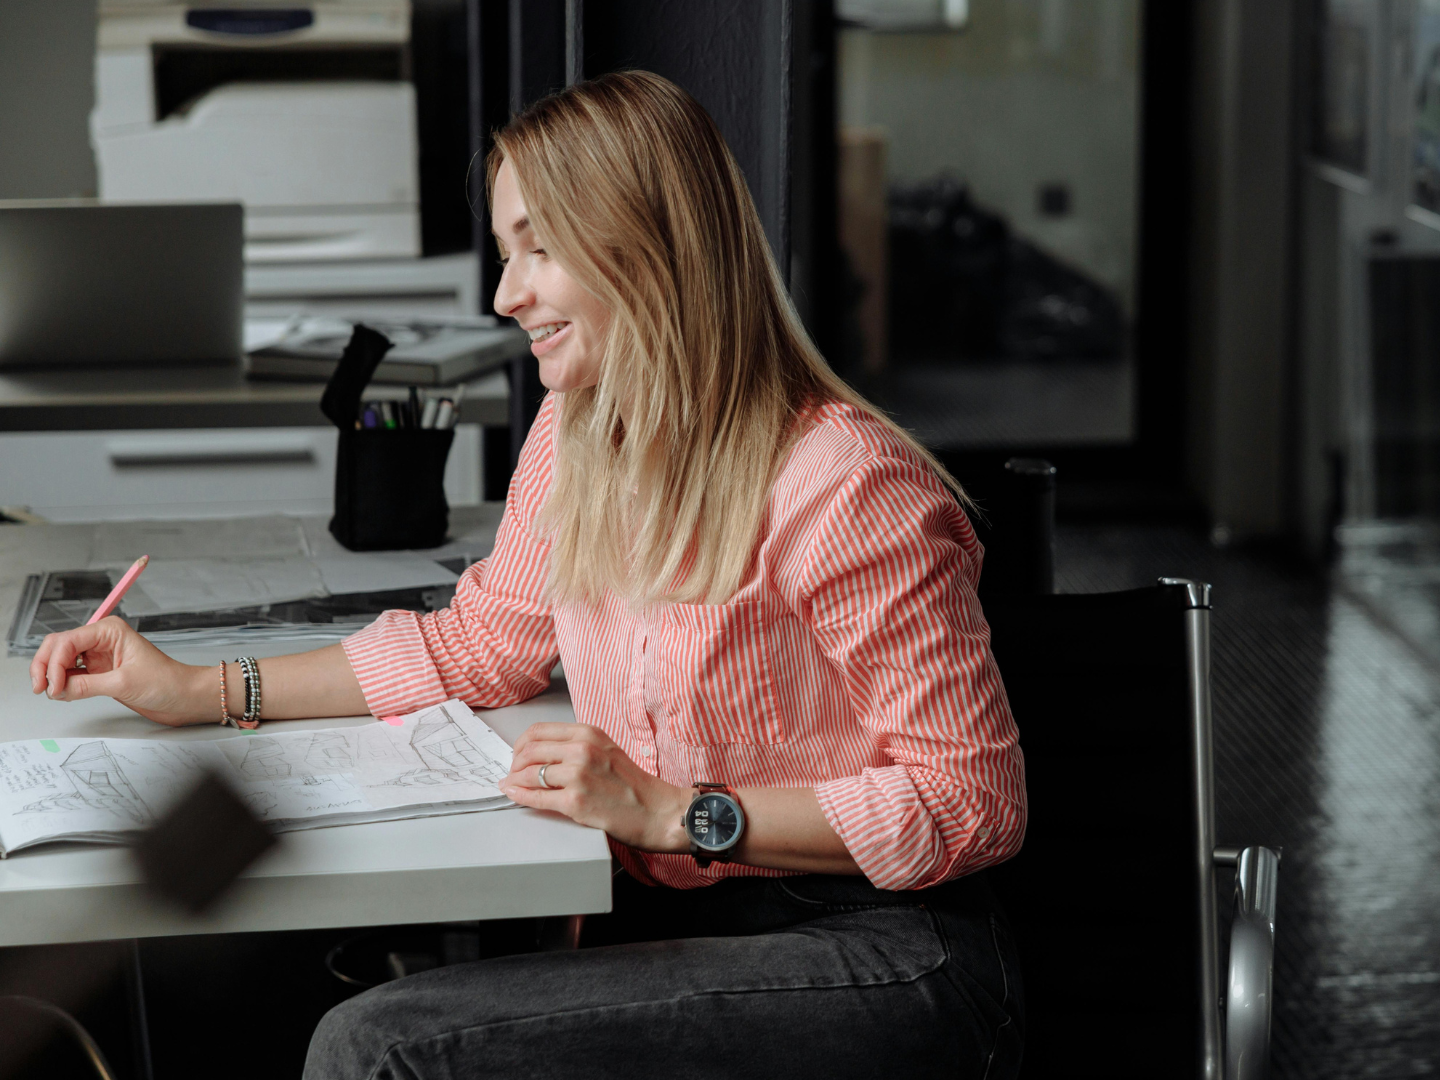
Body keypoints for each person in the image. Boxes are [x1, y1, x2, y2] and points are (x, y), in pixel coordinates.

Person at [28, 70, 1026, 1080]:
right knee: (262, 975)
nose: (507, 297)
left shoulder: (845, 486)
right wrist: (196, 691)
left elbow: (975, 800)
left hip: (876, 950)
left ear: (651, 247)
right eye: (509, 255)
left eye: (539, 250)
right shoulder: (580, 429)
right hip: (669, 919)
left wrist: (676, 809)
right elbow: (484, 644)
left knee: (378, 1049)